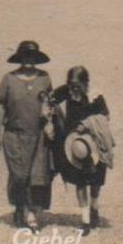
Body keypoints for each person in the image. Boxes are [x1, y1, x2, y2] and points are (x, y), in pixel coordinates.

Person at [0, 41, 54, 229]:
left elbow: (50, 103)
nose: (29, 60)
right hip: (14, 135)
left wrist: (50, 120)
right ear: (19, 58)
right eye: (25, 56)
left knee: (36, 176)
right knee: (19, 175)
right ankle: (20, 207)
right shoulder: (9, 79)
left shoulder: (44, 78)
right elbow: (1, 107)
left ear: (36, 59)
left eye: (32, 57)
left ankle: (29, 212)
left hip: (38, 136)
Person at [51, 66, 113, 233]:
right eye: (71, 84)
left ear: (86, 83)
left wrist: (86, 124)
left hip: (94, 143)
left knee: (95, 182)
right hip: (76, 144)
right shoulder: (67, 91)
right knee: (80, 182)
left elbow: (105, 117)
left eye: (78, 85)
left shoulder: (95, 96)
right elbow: (50, 99)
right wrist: (54, 115)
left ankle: (94, 207)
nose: (74, 88)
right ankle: (85, 221)